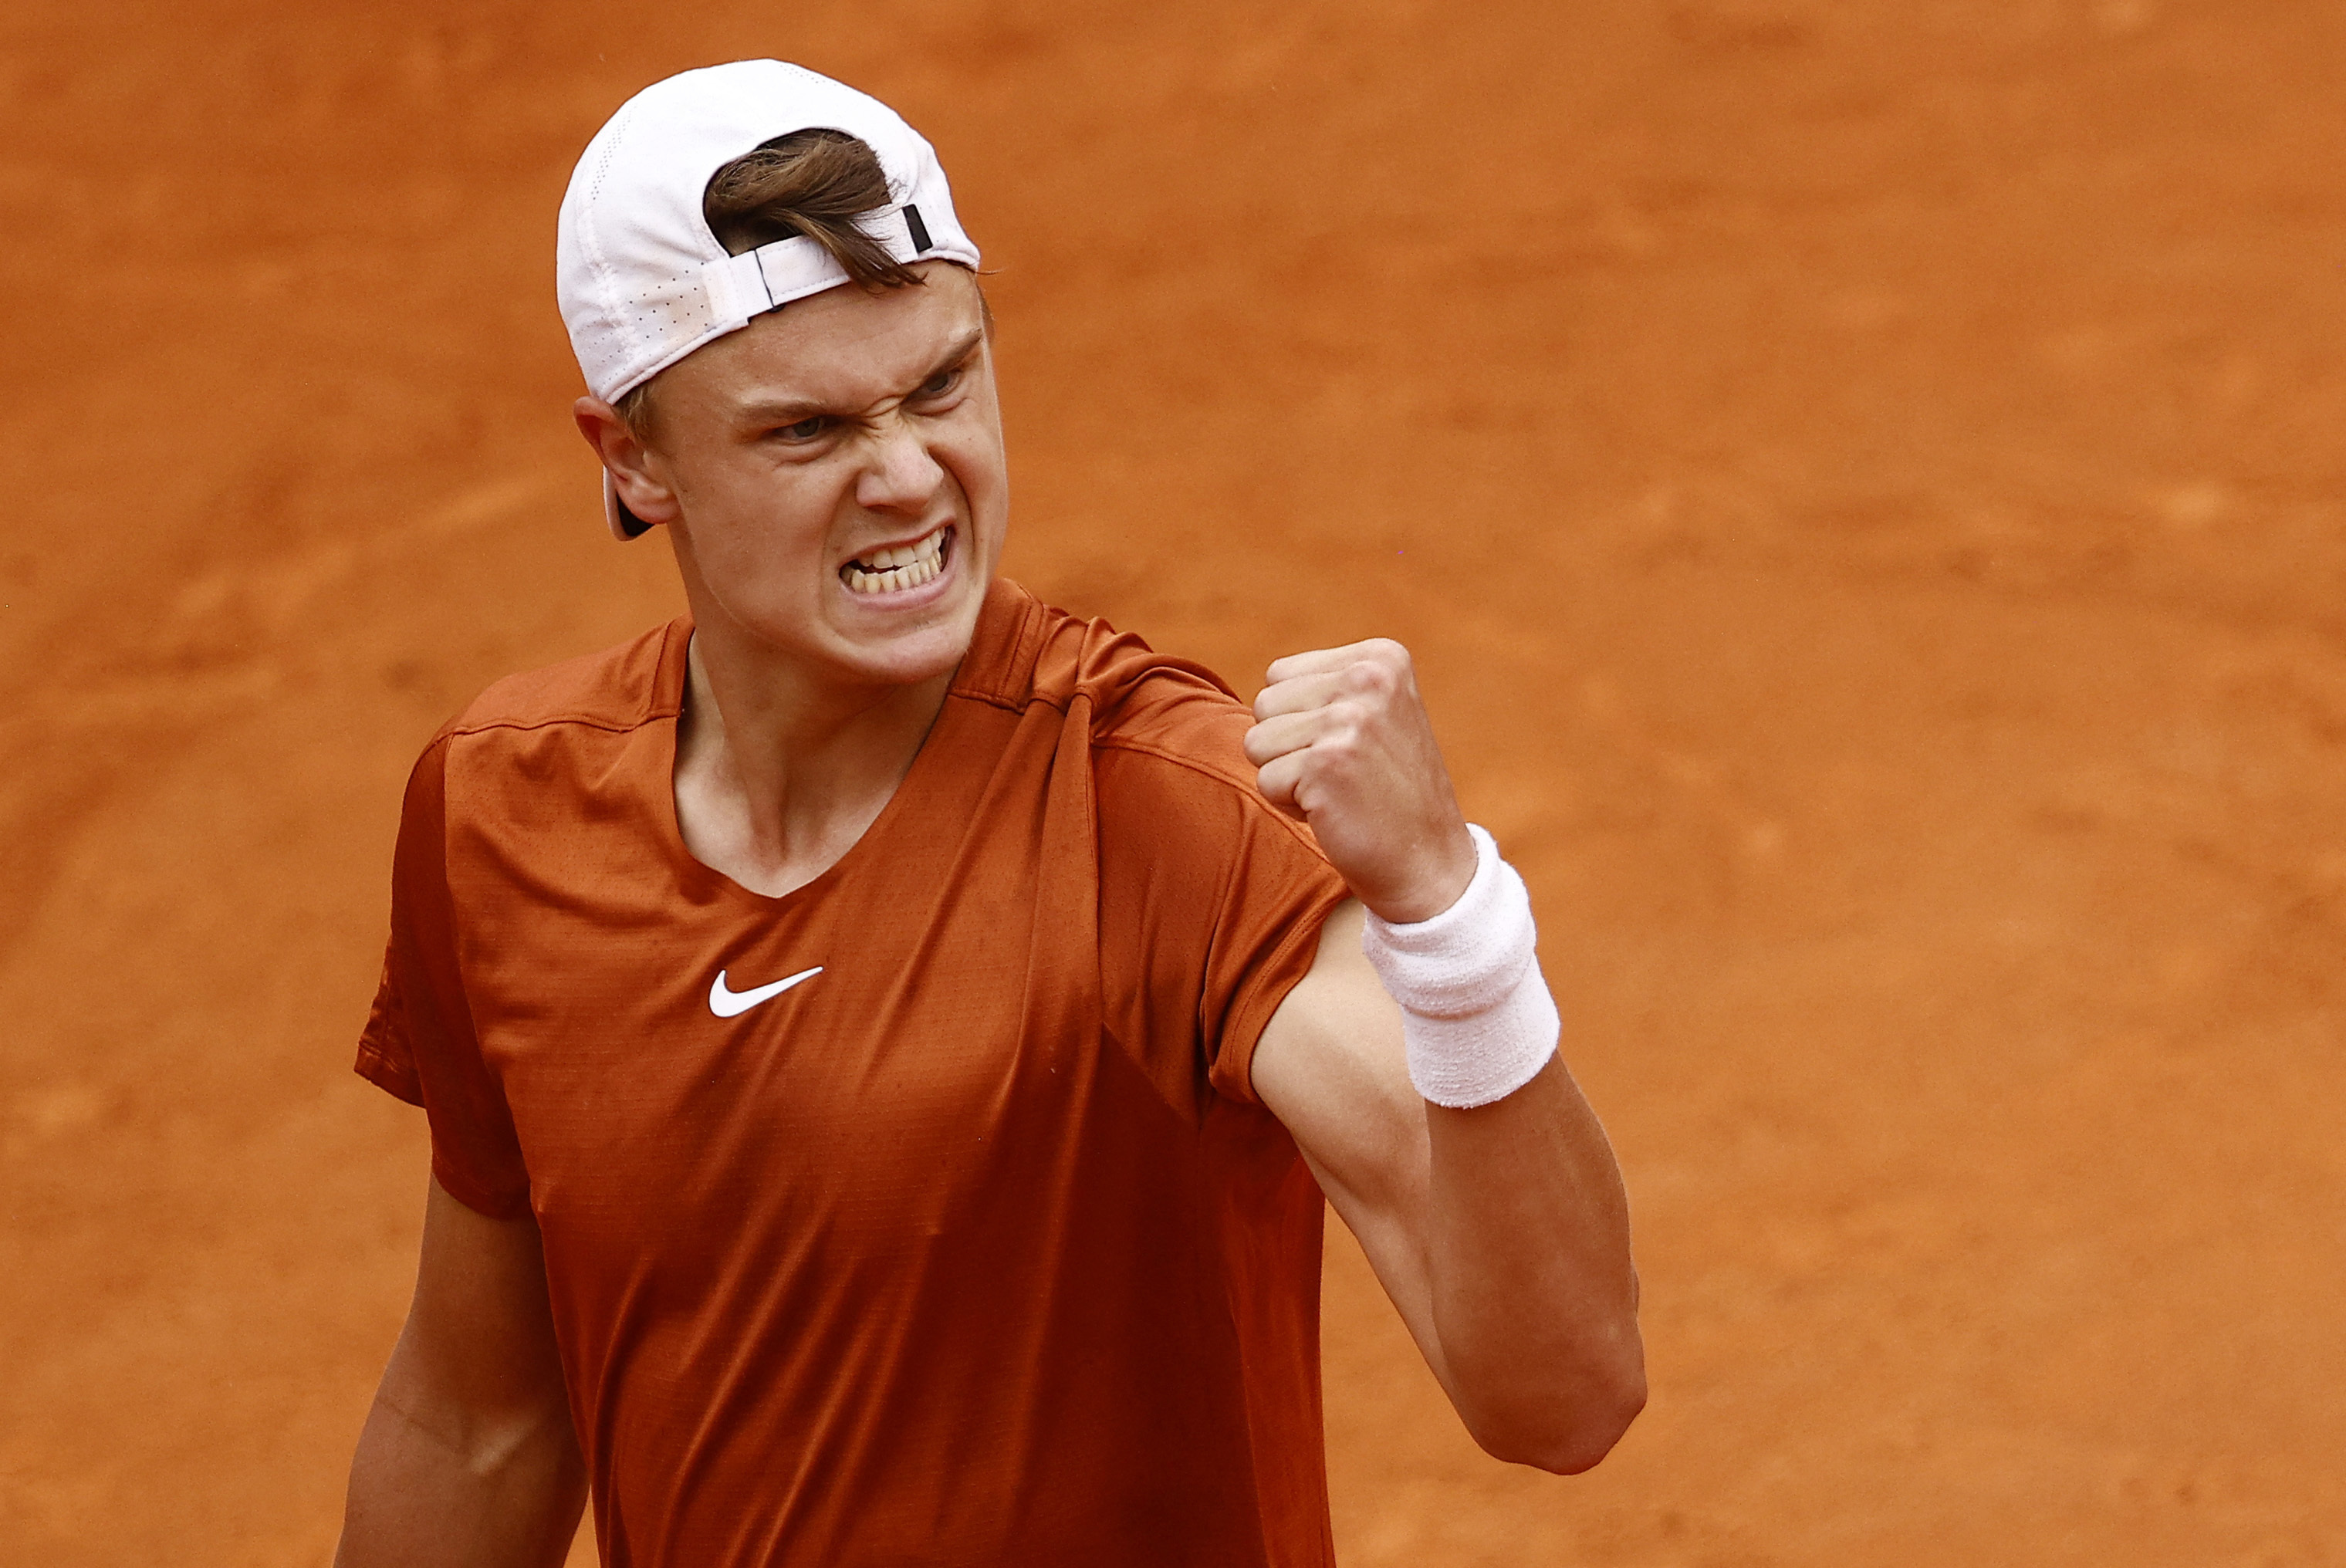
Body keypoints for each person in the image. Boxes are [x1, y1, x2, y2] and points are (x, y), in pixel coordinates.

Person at [333, 59, 1641, 1568]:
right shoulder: (501, 814)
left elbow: (1562, 1390)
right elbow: (480, 1414)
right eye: (808, 432)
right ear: (632, 460)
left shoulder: (1166, 812)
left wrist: (1450, 921)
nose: (908, 476)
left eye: (942, 384)